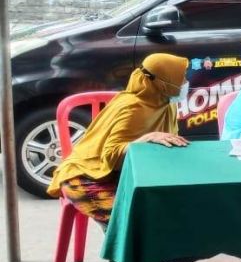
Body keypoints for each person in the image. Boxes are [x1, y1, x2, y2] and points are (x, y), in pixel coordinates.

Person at [47, 53, 190, 226]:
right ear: (162, 82)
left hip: (122, 172)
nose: (185, 83)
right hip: (86, 175)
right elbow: (110, 156)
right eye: (181, 78)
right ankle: (127, 252)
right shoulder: (134, 108)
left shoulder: (166, 103)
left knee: (175, 210)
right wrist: (145, 139)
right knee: (128, 221)